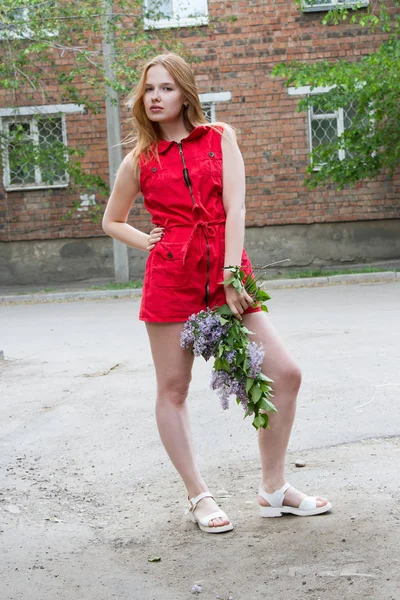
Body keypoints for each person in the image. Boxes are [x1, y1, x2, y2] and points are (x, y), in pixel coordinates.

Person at [102, 53, 332, 534]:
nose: (156, 97)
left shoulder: (219, 138)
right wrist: (149, 242)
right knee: (173, 389)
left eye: (166, 88)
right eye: (149, 90)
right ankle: (198, 496)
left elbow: (236, 204)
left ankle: (274, 489)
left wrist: (230, 274)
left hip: (227, 275)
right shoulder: (139, 159)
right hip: (171, 280)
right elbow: (111, 220)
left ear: (186, 93)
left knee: (285, 374)